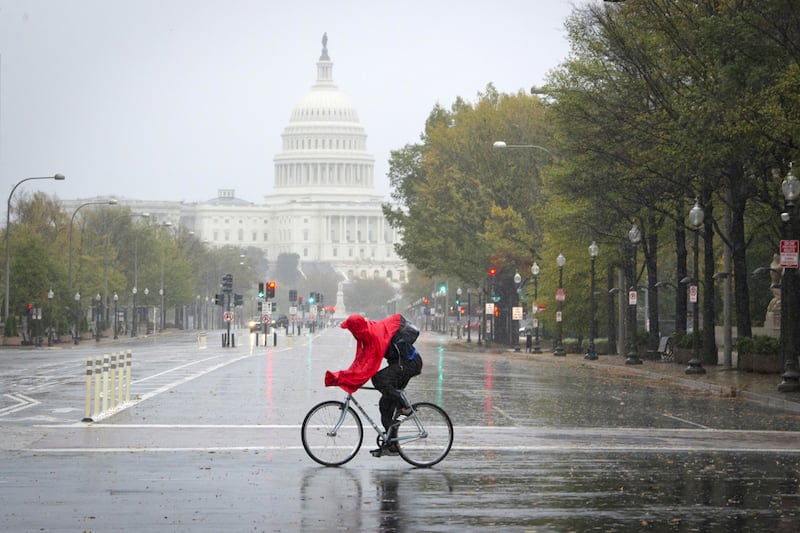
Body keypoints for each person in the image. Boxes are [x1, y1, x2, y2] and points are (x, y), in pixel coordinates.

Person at [324, 313, 422, 457]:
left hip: (410, 364)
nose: (352, 334)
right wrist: (344, 376)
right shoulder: (368, 333)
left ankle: (405, 407)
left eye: (352, 331)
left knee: (379, 379)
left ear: (357, 330)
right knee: (385, 405)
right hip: (401, 364)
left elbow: (369, 367)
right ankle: (392, 444)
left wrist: (348, 378)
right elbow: (361, 361)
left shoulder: (374, 335)